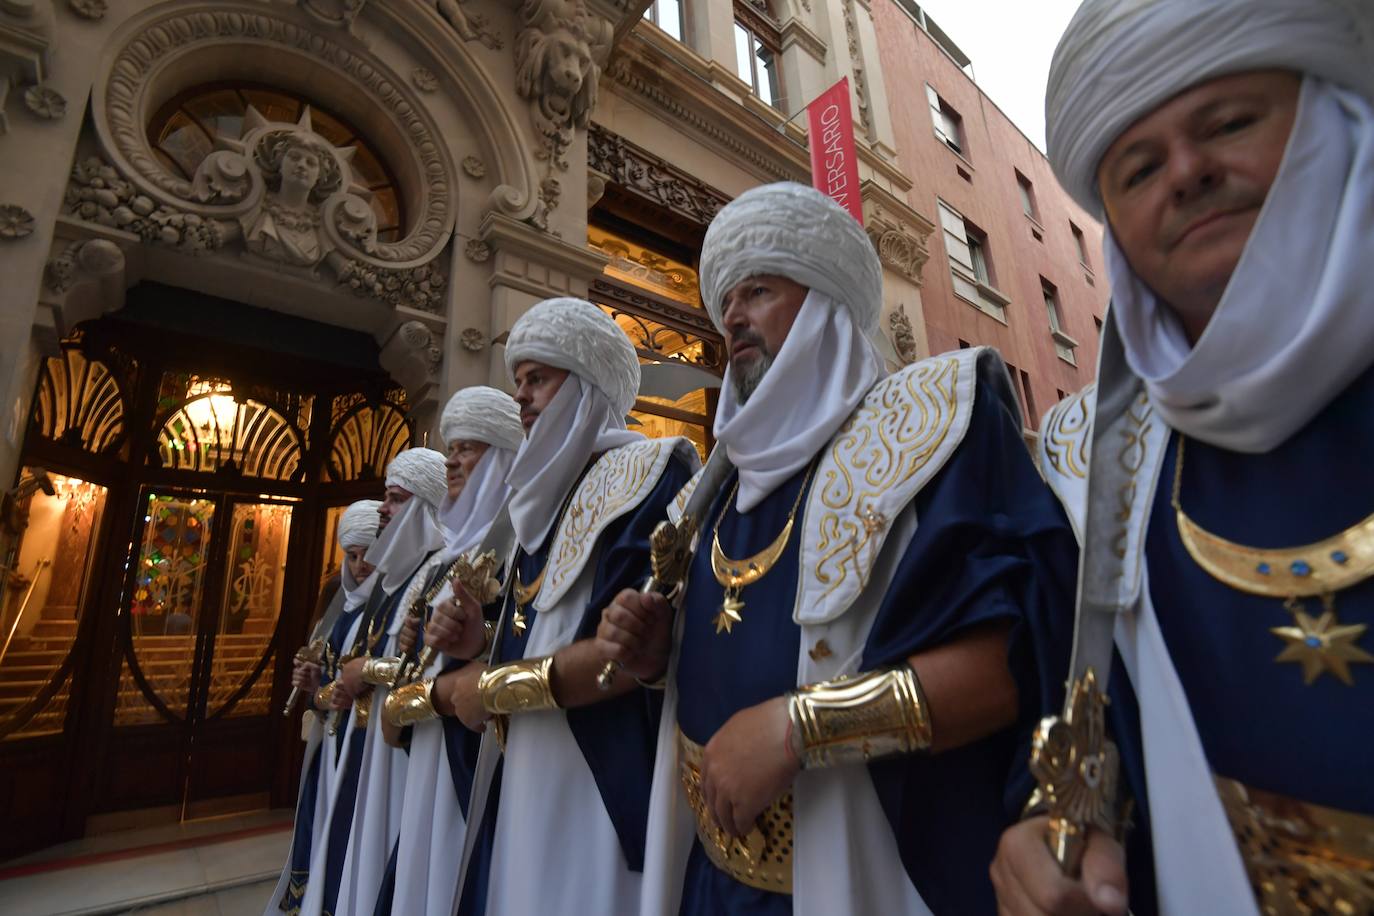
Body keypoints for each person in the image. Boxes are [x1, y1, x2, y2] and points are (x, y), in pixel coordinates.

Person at [596, 182, 1078, 914]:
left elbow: (1014, 666)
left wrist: (799, 729)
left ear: (824, 302)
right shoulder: (716, 487)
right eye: (726, 301)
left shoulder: (930, 430)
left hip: (862, 876)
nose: (732, 317)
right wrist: (658, 656)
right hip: (709, 881)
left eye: (756, 290)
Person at [989, 2, 1374, 914]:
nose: (1190, 174)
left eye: (1230, 123)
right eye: (1140, 167)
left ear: (1331, 115)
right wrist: (1056, 829)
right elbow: (1085, 720)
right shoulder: (1090, 463)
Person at [425, 296, 700, 915]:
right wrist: (477, 646)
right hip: (525, 762)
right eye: (518, 381)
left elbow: (627, 655)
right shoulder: (536, 503)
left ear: (587, 386)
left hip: (598, 773)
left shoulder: (649, 471)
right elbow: (533, 631)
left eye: (539, 379)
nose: (520, 397)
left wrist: (490, 684)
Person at [373, 386, 523, 916]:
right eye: (451, 448)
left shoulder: (520, 541)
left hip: (481, 764)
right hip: (429, 754)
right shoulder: (445, 559)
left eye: (469, 447)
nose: (453, 460)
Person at [305, 447, 448, 916]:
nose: (383, 510)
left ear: (425, 505)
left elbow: (425, 667)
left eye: (395, 499)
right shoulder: (395, 578)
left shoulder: (439, 568)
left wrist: (362, 671)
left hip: (404, 745)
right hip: (364, 743)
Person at [267, 498, 380, 915]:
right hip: (330, 744)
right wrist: (314, 685)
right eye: (352, 555)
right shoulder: (338, 601)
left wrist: (326, 691)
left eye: (368, 554)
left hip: (363, 748)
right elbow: (328, 683)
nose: (360, 565)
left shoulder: (391, 606)